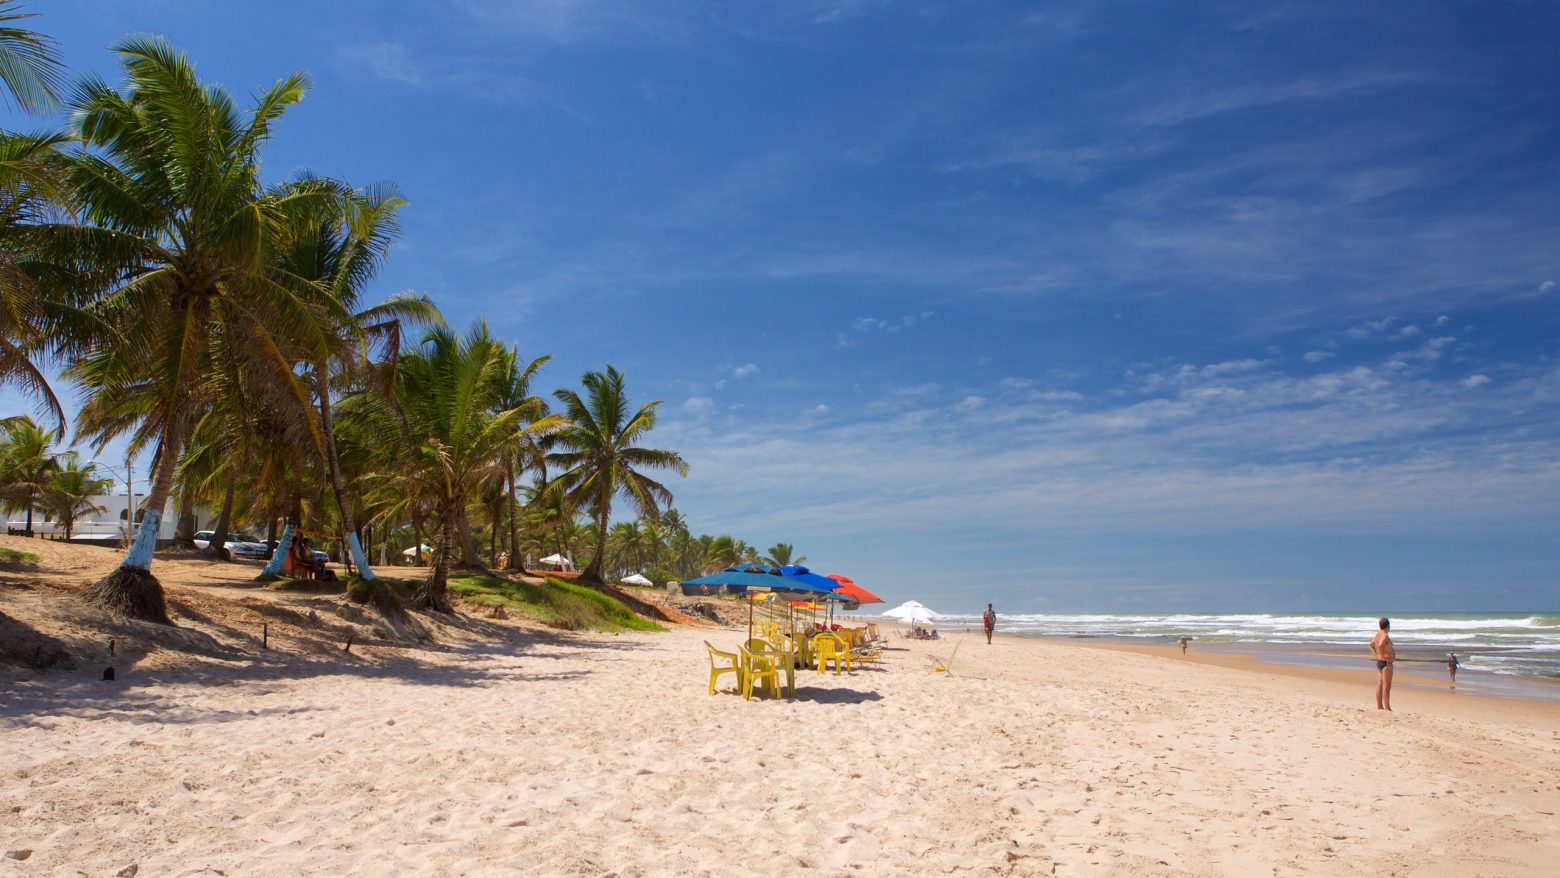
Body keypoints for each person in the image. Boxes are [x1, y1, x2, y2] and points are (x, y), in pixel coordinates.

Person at [1369, 617, 1396, 711]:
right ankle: (1388, 708)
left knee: (1380, 684)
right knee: (1387, 685)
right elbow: (1380, 645)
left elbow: (1371, 645)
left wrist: (1377, 656)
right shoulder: (1384, 634)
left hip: (1380, 662)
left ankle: (1379, 706)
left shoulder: (1378, 634)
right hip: (1386, 663)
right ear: (1388, 626)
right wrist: (1382, 655)